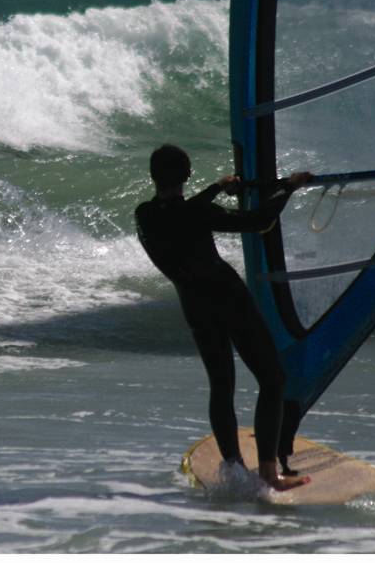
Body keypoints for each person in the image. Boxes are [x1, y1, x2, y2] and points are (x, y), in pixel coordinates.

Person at [134, 144, 313, 492]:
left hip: (195, 306)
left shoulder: (145, 216)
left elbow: (181, 212)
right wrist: (287, 188)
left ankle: (233, 467)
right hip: (229, 300)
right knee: (273, 379)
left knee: (221, 385)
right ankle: (268, 473)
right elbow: (260, 222)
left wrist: (218, 187)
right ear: (186, 175)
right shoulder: (197, 214)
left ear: (154, 176)